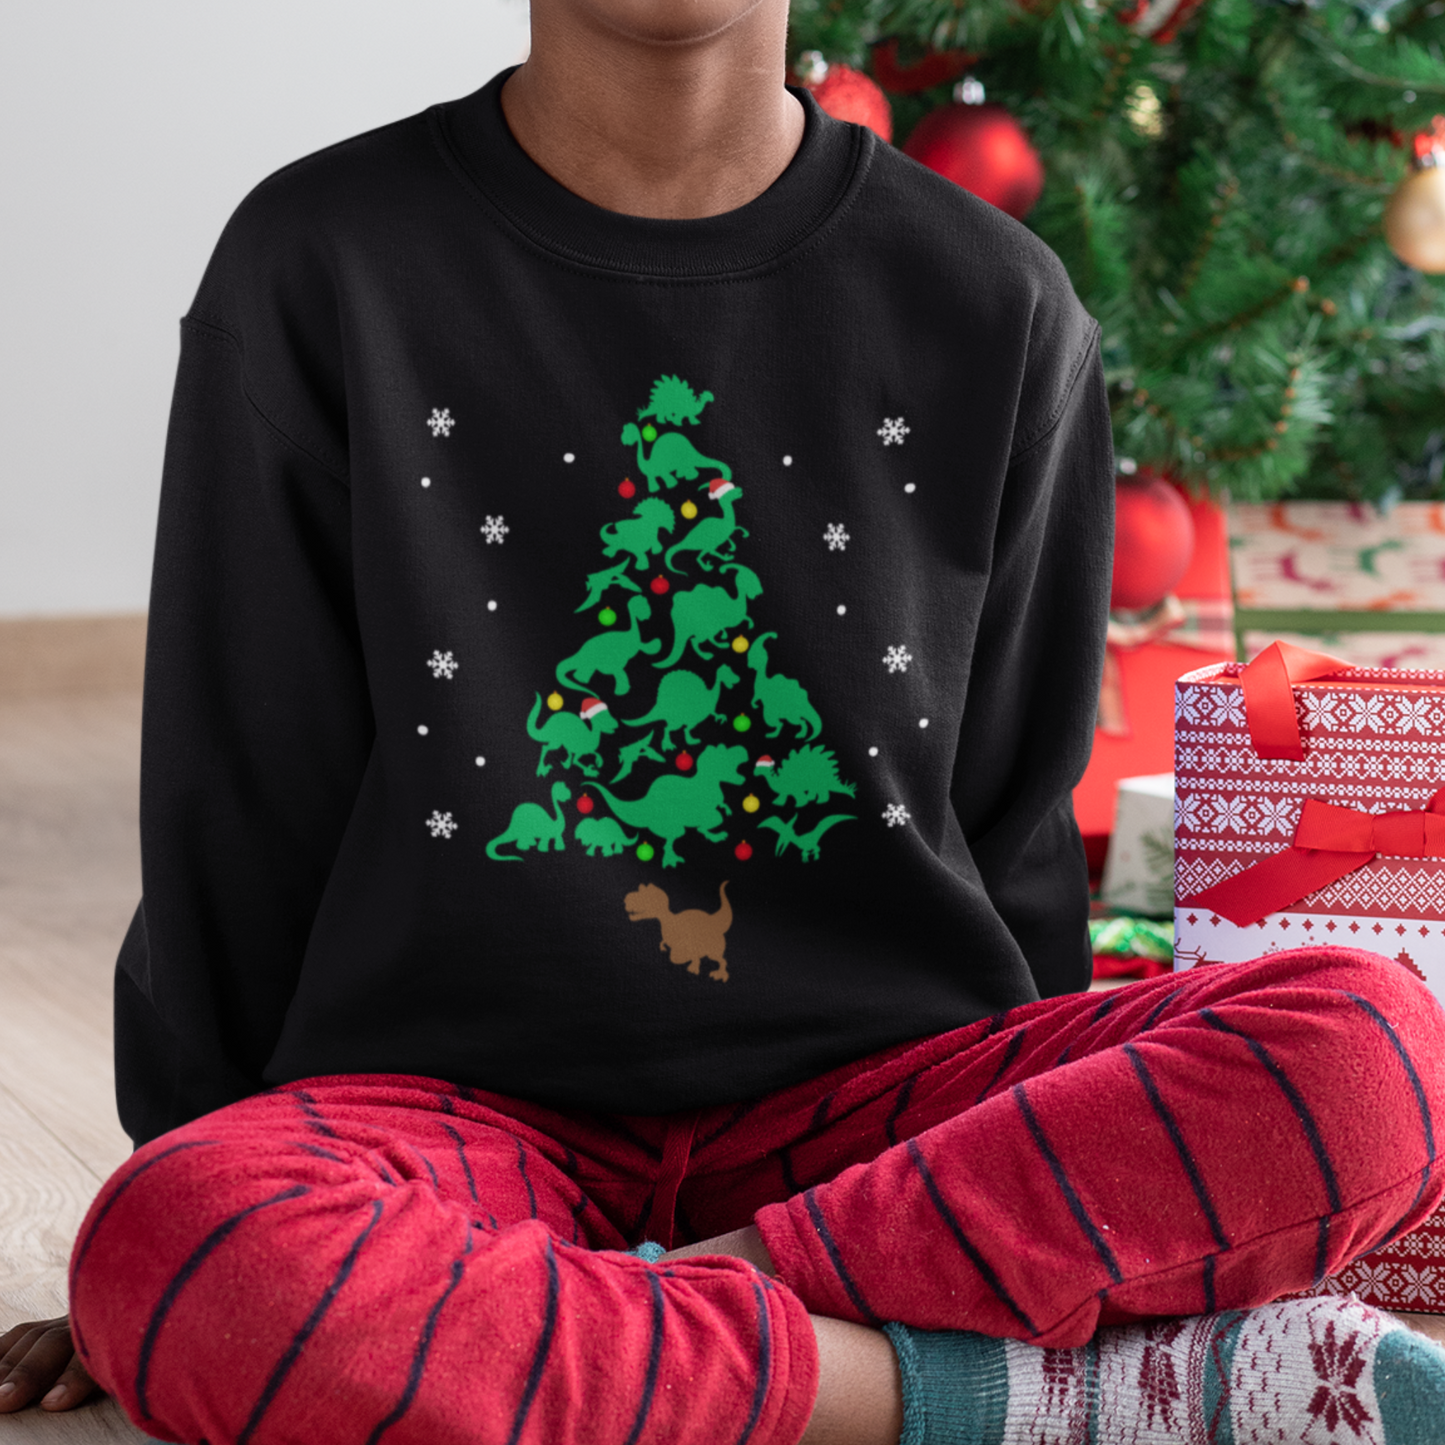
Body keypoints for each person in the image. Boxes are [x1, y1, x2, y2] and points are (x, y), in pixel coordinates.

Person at [4, 0, 1445, 1438]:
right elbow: (238, 801)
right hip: (449, 1118)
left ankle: (645, 1331)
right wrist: (190, 1200)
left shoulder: (995, 300)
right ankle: (1018, 1392)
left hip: (891, 1121)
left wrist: (1040, 1155)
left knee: (1382, 1052)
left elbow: (1014, 837)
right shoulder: (316, 263)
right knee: (180, 1242)